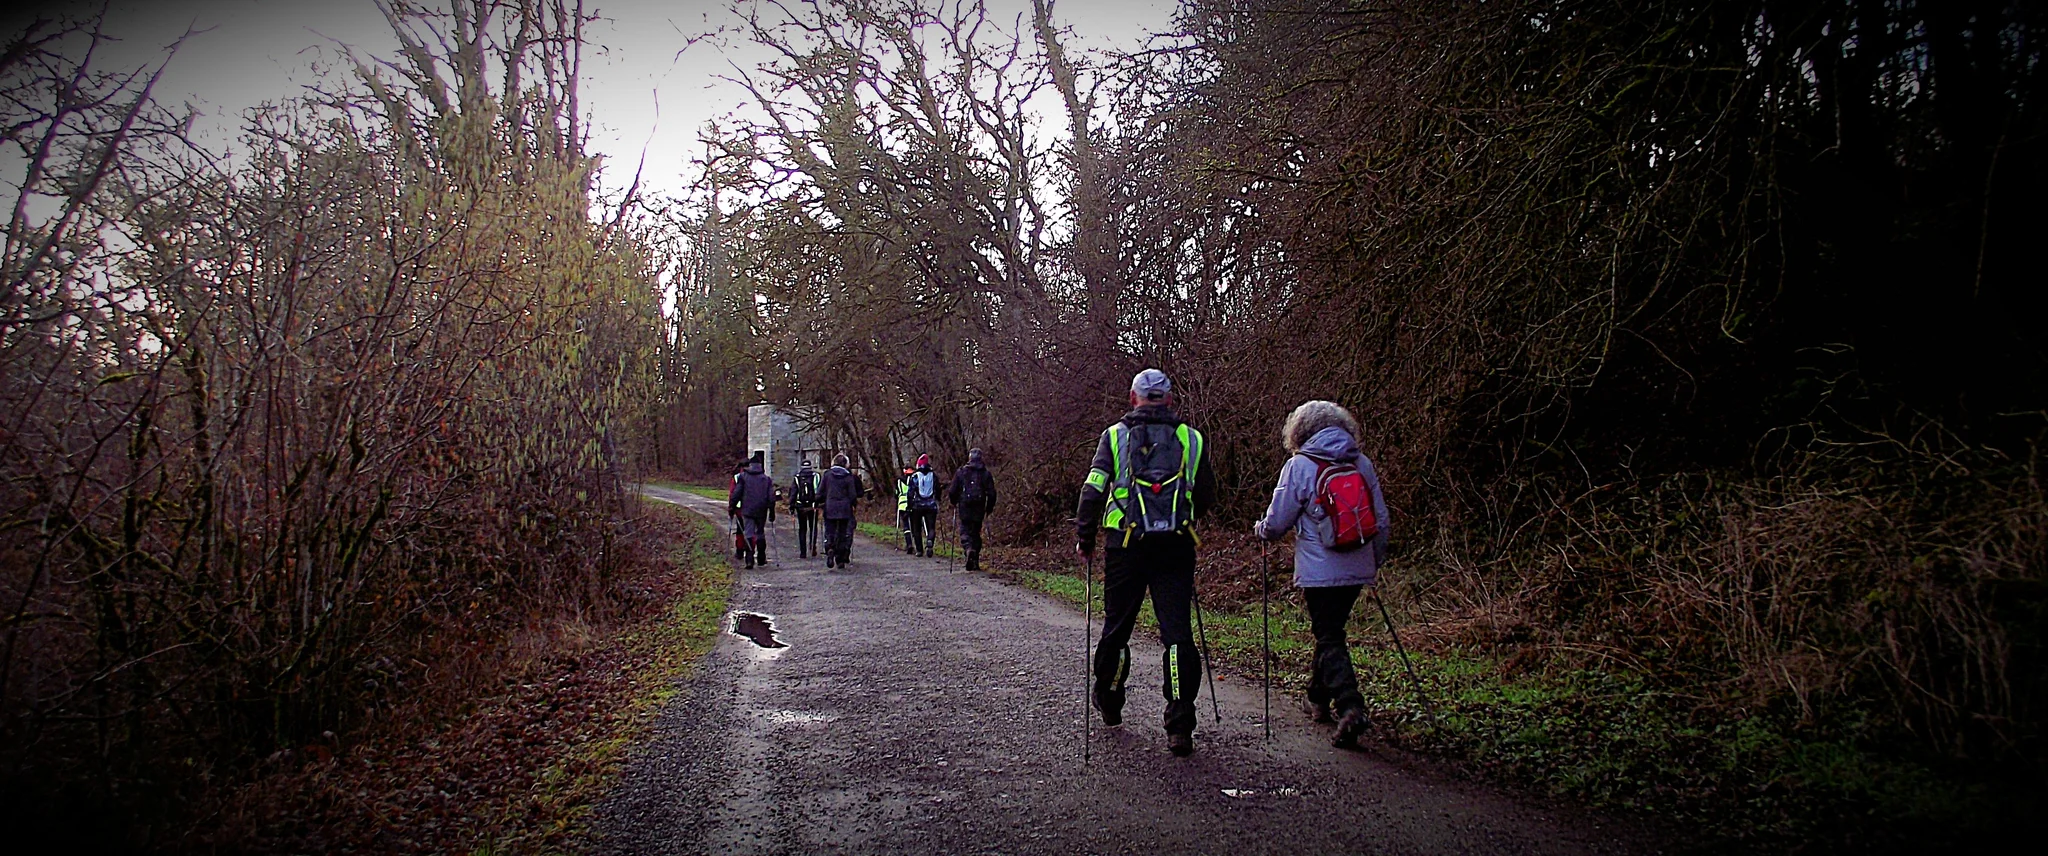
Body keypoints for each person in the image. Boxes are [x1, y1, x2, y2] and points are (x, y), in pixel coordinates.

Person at [1075, 368, 1216, 757]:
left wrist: (1085, 536)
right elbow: (1206, 494)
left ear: (1132, 398)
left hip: (1125, 545)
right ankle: (1180, 722)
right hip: (1175, 546)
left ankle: (1110, 698)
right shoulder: (1192, 438)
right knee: (1177, 632)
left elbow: (1093, 489)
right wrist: (1180, 520)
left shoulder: (1114, 436)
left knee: (1118, 628)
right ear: (1169, 399)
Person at [1252, 400, 1390, 749]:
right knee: (1330, 631)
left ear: (1299, 431)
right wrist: (1374, 561)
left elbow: (1278, 522)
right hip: (1357, 566)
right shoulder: (1361, 463)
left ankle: (1350, 705)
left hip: (1320, 571)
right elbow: (1381, 519)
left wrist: (1261, 530)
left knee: (1329, 635)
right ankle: (1316, 698)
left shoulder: (1299, 466)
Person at [948, 448, 997, 572]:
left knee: (965, 530)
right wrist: (989, 508)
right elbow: (992, 493)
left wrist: (954, 502)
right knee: (976, 532)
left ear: (969, 458)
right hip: (979, 507)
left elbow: (952, 491)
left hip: (965, 506)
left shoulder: (961, 472)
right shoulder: (985, 473)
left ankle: (968, 549)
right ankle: (975, 561)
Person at [729, 452, 777, 569]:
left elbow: (737, 493)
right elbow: (771, 497)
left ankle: (749, 559)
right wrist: (772, 511)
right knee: (760, 532)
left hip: (747, 510)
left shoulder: (743, 477)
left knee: (749, 533)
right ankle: (761, 558)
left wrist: (732, 507)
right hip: (761, 510)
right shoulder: (766, 479)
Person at [820, 454, 866, 568]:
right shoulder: (848, 476)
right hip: (844, 509)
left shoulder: (827, 475)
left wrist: (819, 502)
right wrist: (853, 504)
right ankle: (840, 559)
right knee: (842, 533)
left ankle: (830, 548)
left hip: (830, 507)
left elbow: (821, 491)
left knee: (830, 531)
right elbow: (852, 494)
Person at [906, 453, 940, 557]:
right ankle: (930, 541)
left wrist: (909, 505)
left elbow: (910, 492)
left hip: (917, 505)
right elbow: (938, 489)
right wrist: (938, 500)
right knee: (931, 526)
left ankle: (919, 550)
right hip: (931, 505)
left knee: (916, 528)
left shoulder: (915, 476)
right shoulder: (933, 475)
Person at [789, 458, 822, 558]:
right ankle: (812, 546)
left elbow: (793, 493)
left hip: (801, 507)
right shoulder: (816, 476)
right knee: (813, 527)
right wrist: (819, 504)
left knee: (802, 528)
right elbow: (819, 491)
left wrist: (791, 506)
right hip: (813, 506)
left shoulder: (797, 477)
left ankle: (803, 552)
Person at [896, 466, 915, 553]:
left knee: (906, 525)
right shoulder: (914, 479)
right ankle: (916, 545)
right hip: (913, 504)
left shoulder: (899, 481)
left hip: (902, 505)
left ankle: (909, 544)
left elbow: (896, 493)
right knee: (914, 524)